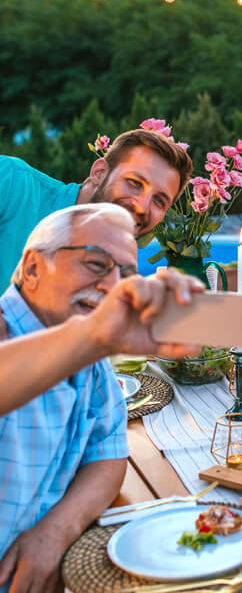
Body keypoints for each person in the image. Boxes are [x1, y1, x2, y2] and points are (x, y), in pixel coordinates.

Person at [0, 203, 203, 593]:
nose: (112, 286)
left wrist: (57, 529)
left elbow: (108, 454)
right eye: (97, 264)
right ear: (31, 268)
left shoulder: (87, 353)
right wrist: (93, 336)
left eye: (124, 274)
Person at [0, 127, 193, 290]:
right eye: (134, 183)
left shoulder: (118, 274)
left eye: (159, 201)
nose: (142, 207)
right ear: (99, 173)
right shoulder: (11, 183)